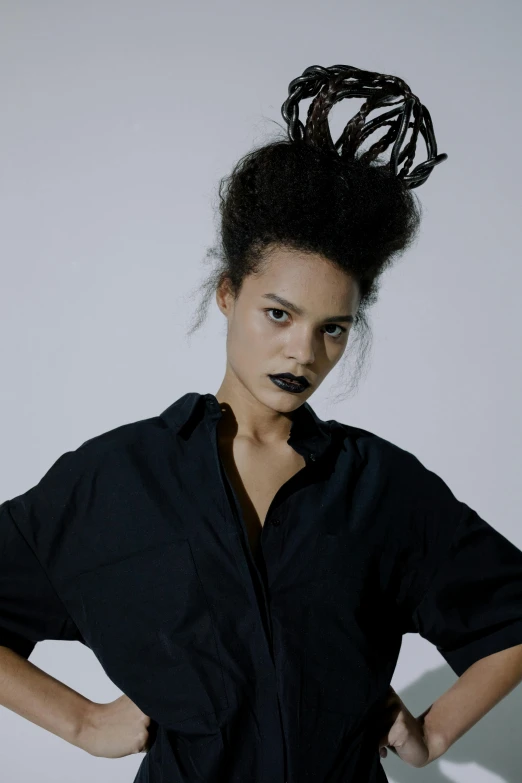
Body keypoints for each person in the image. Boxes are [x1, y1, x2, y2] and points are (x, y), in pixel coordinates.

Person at [1, 63, 522, 783]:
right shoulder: (119, 478)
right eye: (278, 313)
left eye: (333, 328)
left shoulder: (380, 488)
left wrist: (432, 734)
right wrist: (83, 721)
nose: (303, 351)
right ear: (227, 294)